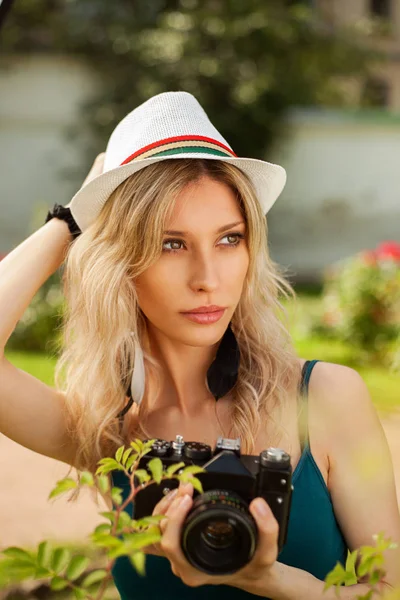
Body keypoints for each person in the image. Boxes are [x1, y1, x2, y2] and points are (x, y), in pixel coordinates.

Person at [0, 91, 399, 600]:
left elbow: (388, 590)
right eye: (172, 244)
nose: (208, 278)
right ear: (119, 261)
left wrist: (268, 579)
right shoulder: (106, 431)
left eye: (229, 239)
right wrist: (73, 220)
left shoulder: (322, 396)